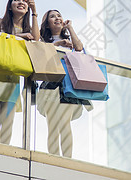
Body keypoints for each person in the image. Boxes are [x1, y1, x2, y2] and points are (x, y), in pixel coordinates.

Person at [0, 0, 39, 144]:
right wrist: (21, 37)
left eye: (24, 1)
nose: (21, 2)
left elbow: (37, 40)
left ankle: (4, 152)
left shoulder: (29, 27)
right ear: (10, 6)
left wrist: (34, 12)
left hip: (13, 78)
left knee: (8, 120)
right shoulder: (1, 22)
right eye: (16, 0)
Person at [37, 9, 91, 158]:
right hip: (50, 86)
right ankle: (54, 160)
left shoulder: (70, 41)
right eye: (52, 16)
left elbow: (79, 48)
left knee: (65, 124)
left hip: (68, 86)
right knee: (53, 125)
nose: (57, 18)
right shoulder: (43, 41)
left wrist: (70, 28)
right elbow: (40, 56)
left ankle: (67, 160)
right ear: (46, 24)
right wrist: (56, 45)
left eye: (59, 15)